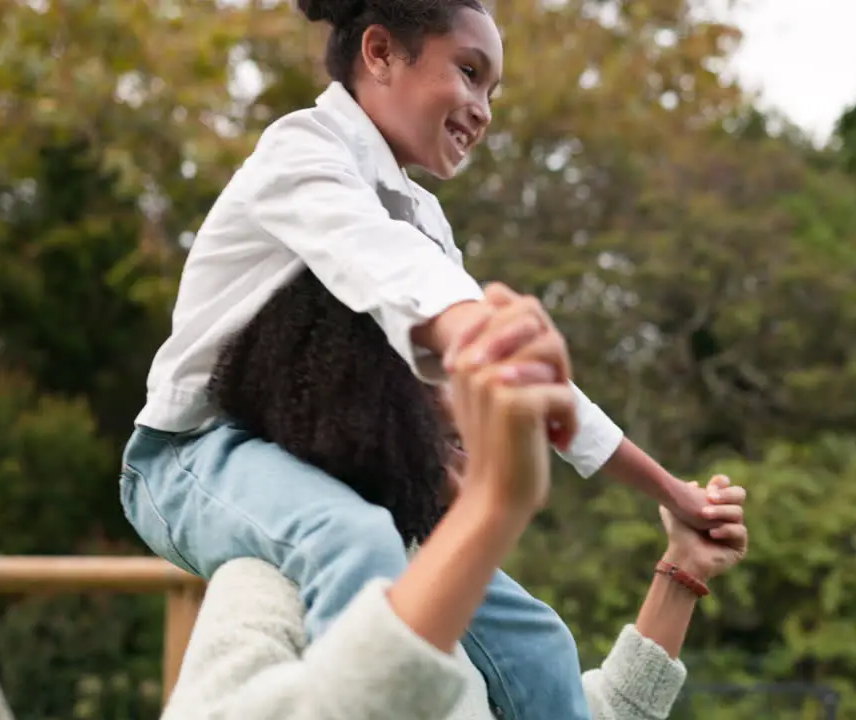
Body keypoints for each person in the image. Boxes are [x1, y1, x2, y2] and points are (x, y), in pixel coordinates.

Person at [120, 1, 716, 717]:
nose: (482, 108)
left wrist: (668, 490)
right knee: (354, 540)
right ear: (380, 54)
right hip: (191, 457)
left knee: (540, 641)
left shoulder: (422, 214)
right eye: (468, 74)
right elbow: (392, 272)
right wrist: (487, 344)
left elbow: (535, 387)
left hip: (321, 462)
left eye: (493, 92)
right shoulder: (302, 152)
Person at [158, 278, 749, 719]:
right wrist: (493, 505)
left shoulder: (436, 577)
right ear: (354, 403)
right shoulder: (265, 585)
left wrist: (681, 573)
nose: (467, 397)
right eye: (432, 376)